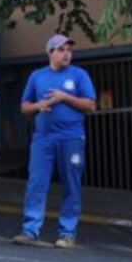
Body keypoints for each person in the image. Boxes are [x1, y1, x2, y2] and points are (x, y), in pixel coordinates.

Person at [11, 34, 97, 249]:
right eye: (61, 50)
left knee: (71, 184)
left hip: (71, 138)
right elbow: (24, 107)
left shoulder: (79, 75)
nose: (66, 54)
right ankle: (30, 231)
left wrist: (65, 97)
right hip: (43, 138)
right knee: (36, 183)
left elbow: (90, 105)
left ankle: (67, 233)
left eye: (69, 50)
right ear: (50, 53)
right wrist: (39, 106)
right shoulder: (37, 76)